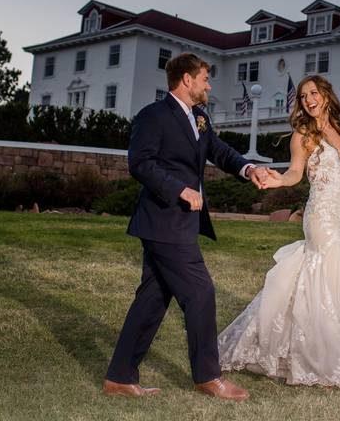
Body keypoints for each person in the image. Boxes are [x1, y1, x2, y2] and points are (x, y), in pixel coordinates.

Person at [103, 52, 269, 402]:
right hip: (163, 221)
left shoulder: (200, 117)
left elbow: (220, 152)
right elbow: (140, 163)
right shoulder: (153, 116)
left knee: (152, 300)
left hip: (177, 225)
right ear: (186, 80)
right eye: (205, 78)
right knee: (201, 292)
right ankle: (209, 376)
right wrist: (178, 189)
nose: (209, 84)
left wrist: (248, 169)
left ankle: (119, 378)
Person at [217, 75, 340, 388]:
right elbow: (296, 173)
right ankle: (317, 357)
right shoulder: (303, 135)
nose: (308, 99)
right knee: (321, 275)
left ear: (326, 94)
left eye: (313, 93)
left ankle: (335, 350)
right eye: (303, 95)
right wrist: (278, 180)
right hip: (320, 215)